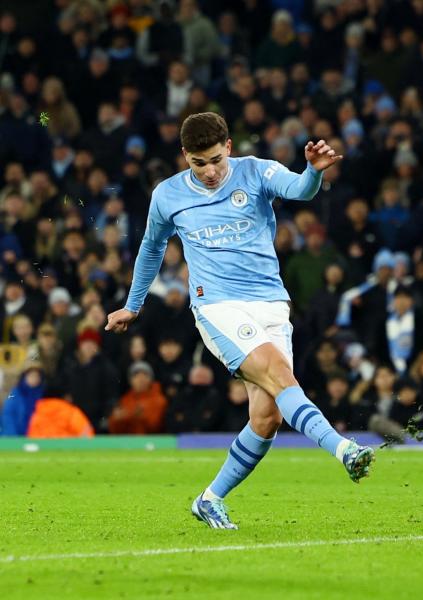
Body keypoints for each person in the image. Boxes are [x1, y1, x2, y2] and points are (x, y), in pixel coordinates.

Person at [105, 112, 374, 530]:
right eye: (199, 163)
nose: (209, 172)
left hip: (270, 303)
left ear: (229, 147)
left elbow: (299, 190)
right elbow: (150, 250)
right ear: (185, 157)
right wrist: (133, 305)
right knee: (278, 373)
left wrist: (313, 172)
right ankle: (344, 450)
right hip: (217, 307)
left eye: (215, 159)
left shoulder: (256, 171)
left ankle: (209, 499)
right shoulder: (168, 195)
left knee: (267, 417)